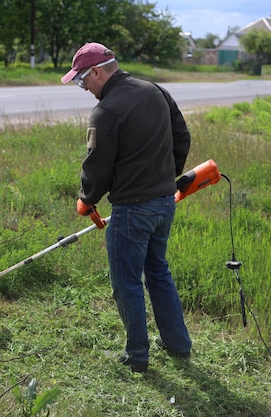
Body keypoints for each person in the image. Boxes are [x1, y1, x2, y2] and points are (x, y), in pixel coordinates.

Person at [61, 42, 192, 373]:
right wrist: (164, 178)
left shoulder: (106, 111)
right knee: (158, 271)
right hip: (164, 203)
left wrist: (86, 199)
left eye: (82, 81)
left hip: (133, 211)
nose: (84, 88)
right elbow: (182, 136)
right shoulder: (155, 91)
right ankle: (178, 345)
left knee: (127, 282)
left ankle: (136, 357)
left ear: (99, 72)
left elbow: (97, 166)